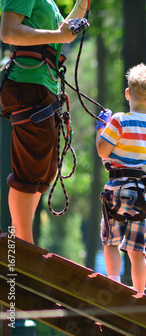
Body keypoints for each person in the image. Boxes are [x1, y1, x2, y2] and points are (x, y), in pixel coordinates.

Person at [0, 0, 89, 243]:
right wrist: (59, 34)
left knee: (40, 172)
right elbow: (8, 31)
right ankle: (21, 250)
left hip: (41, 87)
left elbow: (62, 32)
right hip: (29, 85)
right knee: (29, 173)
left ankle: (22, 245)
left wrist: (82, 4)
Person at [96, 63, 146, 296]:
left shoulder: (118, 120)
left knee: (111, 241)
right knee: (137, 250)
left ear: (127, 93)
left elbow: (103, 151)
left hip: (117, 188)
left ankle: (114, 283)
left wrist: (101, 128)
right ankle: (139, 295)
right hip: (142, 194)